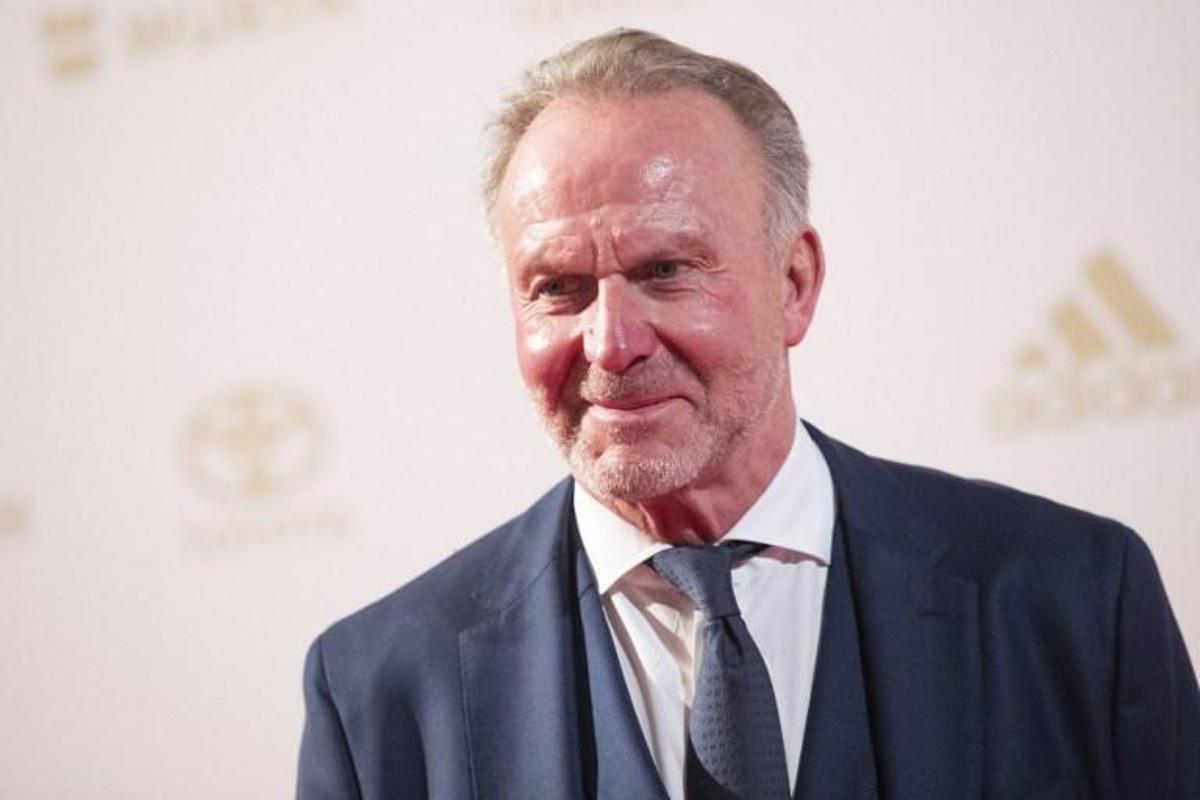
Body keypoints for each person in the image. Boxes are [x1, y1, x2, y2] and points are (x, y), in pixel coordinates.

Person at [297, 29, 1199, 799]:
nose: (610, 344)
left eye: (666, 271)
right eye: (558, 288)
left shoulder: (1074, 600)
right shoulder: (380, 695)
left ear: (794, 284)